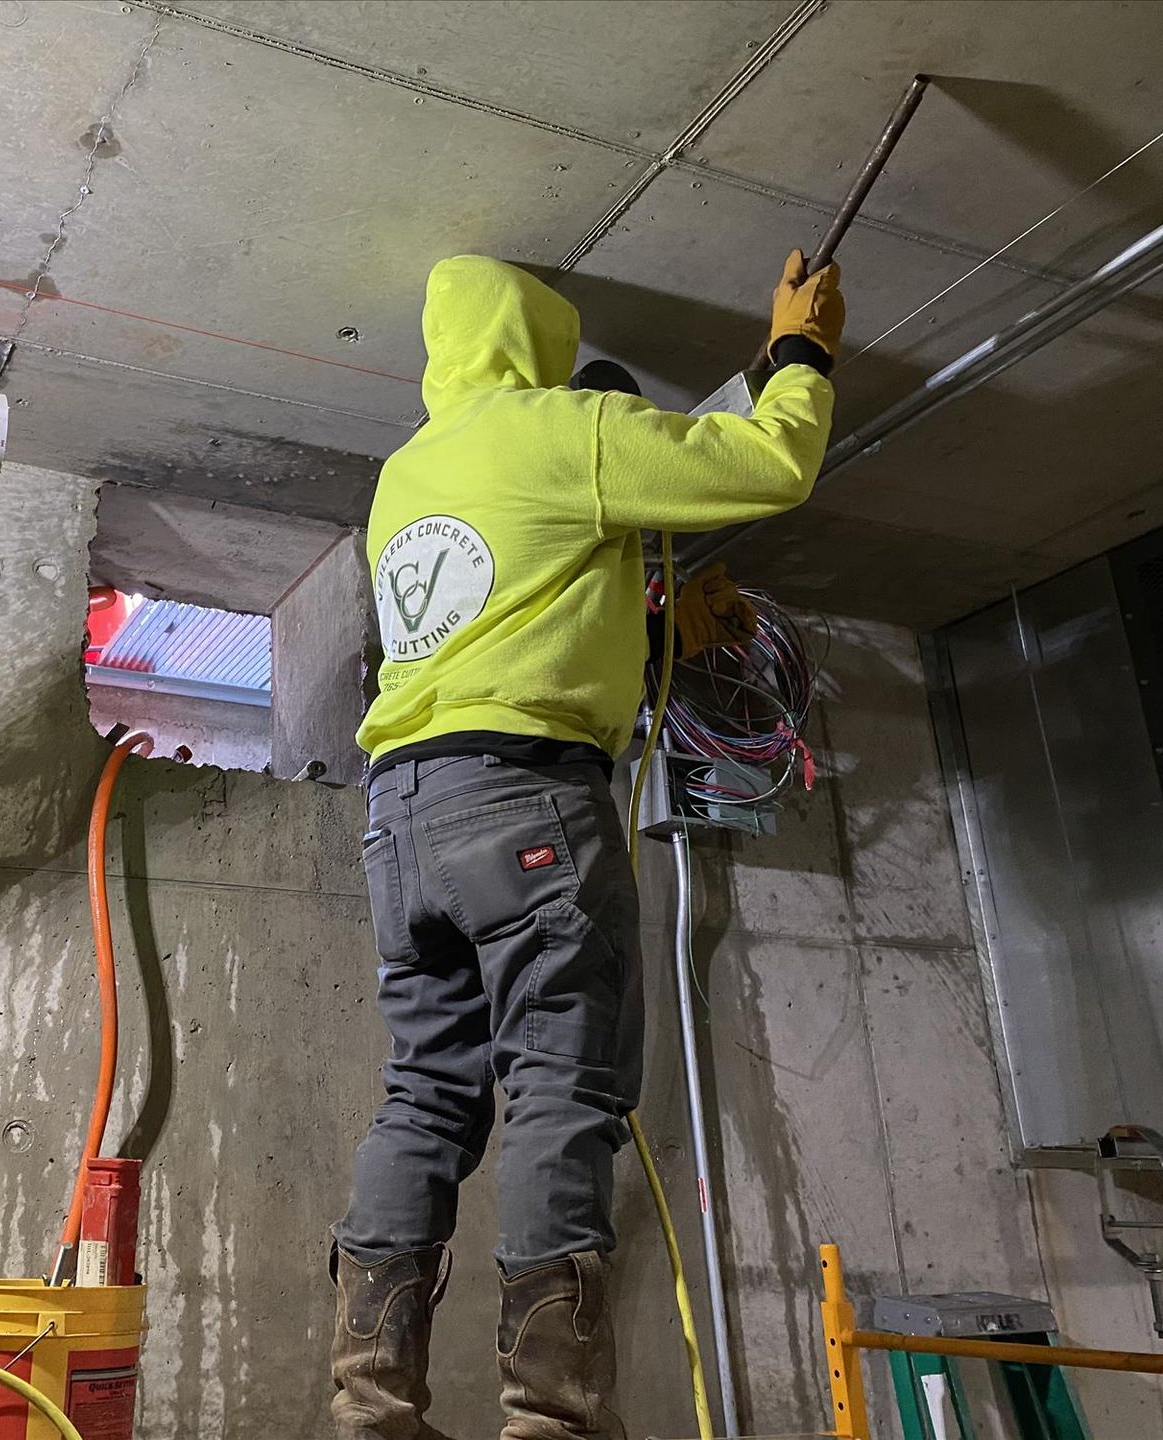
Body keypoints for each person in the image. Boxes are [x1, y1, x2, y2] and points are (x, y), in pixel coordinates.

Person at [330, 251, 844, 1440]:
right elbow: (772, 465)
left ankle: (369, 1405)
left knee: (425, 1096)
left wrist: (648, 625)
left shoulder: (406, 475)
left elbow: (526, 615)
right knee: (561, 1090)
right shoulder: (567, 427)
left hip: (400, 816)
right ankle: (550, 1419)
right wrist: (803, 357)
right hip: (525, 800)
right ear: (543, 343)